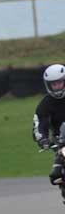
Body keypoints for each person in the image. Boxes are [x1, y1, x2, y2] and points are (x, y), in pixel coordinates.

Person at [33, 64, 65, 202]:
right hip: (62, 142)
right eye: (54, 84)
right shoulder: (46, 104)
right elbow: (39, 125)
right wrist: (43, 140)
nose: (57, 86)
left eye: (59, 82)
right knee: (56, 175)